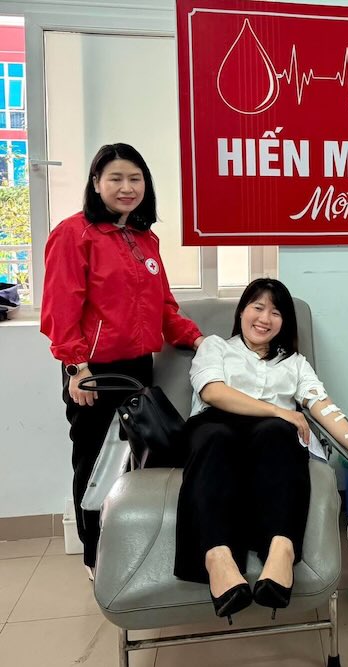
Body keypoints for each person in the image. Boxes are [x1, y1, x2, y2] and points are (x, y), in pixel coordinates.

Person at [173, 278, 348, 623]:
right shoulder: (216, 347)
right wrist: (280, 410)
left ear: (284, 322)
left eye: (275, 312)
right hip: (219, 426)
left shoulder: (294, 363)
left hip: (270, 439)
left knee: (280, 434)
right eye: (257, 307)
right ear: (242, 311)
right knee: (217, 436)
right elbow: (213, 392)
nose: (264, 318)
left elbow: (323, 406)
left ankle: (281, 550)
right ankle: (217, 558)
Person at [40, 143, 204, 579]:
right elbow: (60, 309)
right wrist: (77, 368)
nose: (126, 187)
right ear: (96, 184)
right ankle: (96, 557)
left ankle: (129, 546)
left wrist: (198, 340)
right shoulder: (74, 235)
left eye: (135, 178)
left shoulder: (144, 238)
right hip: (94, 371)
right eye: (115, 178)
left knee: (134, 463)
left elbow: (165, 307)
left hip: (138, 369)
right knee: (94, 465)